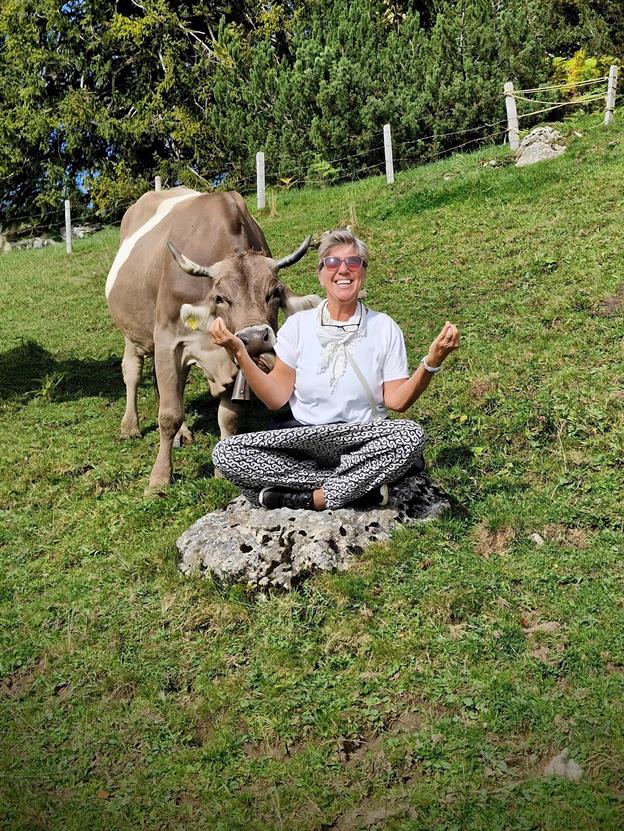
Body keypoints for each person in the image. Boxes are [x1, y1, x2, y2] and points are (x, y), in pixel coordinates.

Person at [210, 229, 459, 510]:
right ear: (320, 273)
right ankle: (358, 487)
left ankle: (310, 497)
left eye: (353, 263)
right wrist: (240, 354)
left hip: (362, 438)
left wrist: (432, 361)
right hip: (303, 437)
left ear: (363, 273)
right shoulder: (298, 326)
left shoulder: (383, 327)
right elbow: (276, 398)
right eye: (332, 263)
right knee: (226, 453)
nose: (343, 270)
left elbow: (397, 401)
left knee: (410, 436)